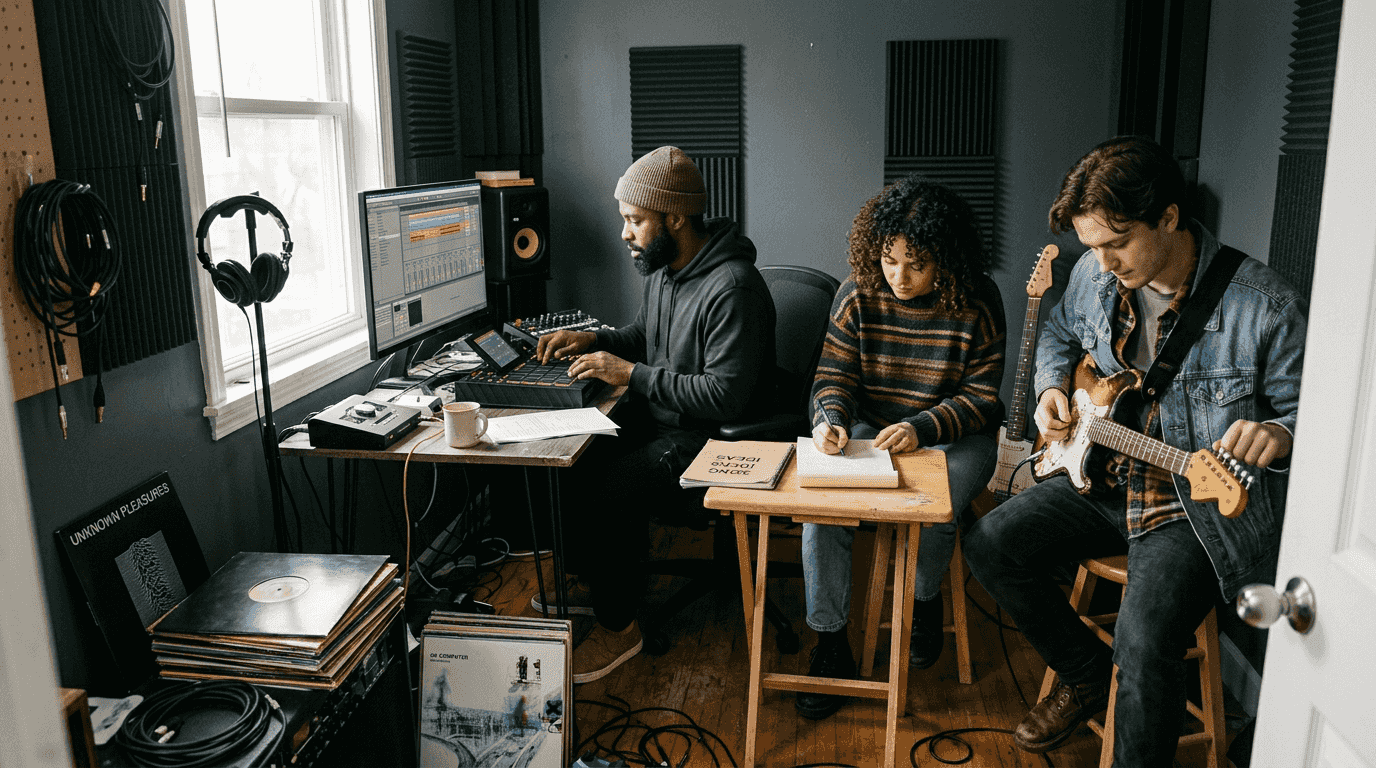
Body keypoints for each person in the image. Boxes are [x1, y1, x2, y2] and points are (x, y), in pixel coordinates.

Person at [963, 135, 1306, 766]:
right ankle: (1087, 676)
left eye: (1117, 242)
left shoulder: (1266, 305)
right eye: (1091, 245)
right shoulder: (1094, 274)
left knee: (1143, 644)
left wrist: (1281, 433)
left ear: (1169, 217)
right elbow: (1059, 333)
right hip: (1106, 475)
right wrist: (1051, 390)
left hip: (1191, 506)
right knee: (988, 544)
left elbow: (1315, 422)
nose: (1103, 261)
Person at [532, 146, 776, 684]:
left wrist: (631, 375)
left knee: (612, 487)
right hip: (670, 421)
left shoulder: (733, 288)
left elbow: (725, 397)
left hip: (713, 440)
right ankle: (601, 586)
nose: (625, 233)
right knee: (574, 458)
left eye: (635, 220)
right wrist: (594, 339)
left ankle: (620, 628)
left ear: (675, 218)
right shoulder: (665, 269)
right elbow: (645, 337)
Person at [795, 175, 1006, 720]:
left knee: (931, 507)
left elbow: (982, 398)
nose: (899, 278)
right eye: (889, 261)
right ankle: (830, 642)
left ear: (946, 260)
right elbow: (833, 377)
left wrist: (923, 427)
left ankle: (922, 602)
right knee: (822, 511)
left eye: (916, 265)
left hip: (957, 436)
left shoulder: (978, 300)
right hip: (872, 428)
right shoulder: (856, 293)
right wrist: (830, 421)